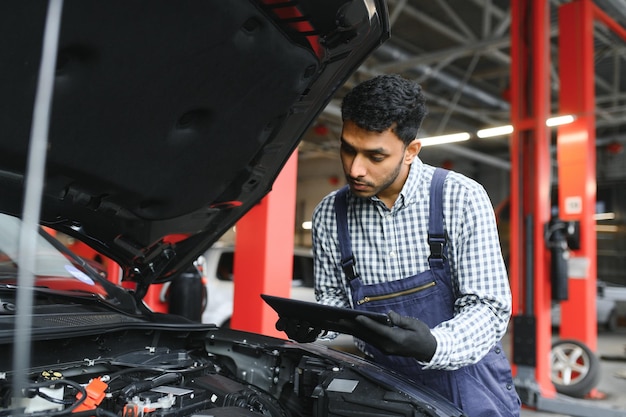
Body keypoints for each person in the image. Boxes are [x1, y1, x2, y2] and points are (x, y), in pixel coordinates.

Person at [276, 74, 521, 417]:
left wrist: (434, 345)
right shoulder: (331, 214)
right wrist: (318, 325)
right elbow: (334, 302)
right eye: (348, 149)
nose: (355, 168)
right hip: (382, 391)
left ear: (410, 151)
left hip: (468, 390)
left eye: (375, 156)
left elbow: (489, 307)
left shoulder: (459, 198)